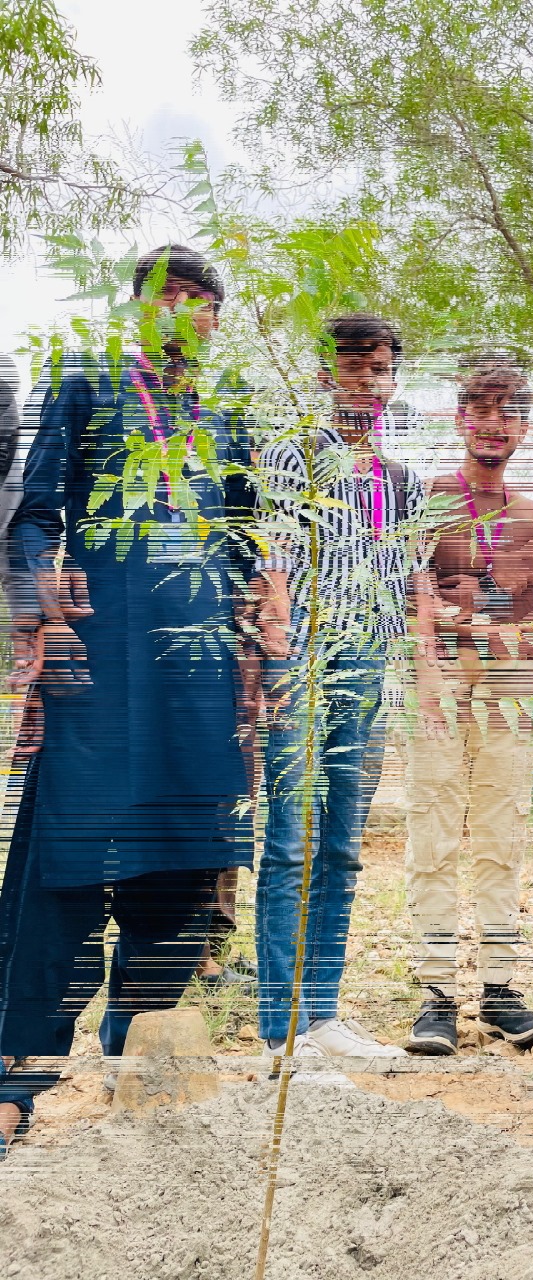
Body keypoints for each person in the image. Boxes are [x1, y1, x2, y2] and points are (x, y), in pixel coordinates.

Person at [0, 244, 270, 1156]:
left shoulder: (227, 406)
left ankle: (137, 1070)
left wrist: (256, 643)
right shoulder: (87, 380)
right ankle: (15, 1084)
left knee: (186, 868)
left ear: (216, 320)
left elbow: (244, 536)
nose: (179, 313)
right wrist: (40, 601)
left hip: (200, 679)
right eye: (162, 297)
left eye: (198, 301)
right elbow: (35, 514)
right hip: (100, 658)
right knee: (65, 871)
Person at [254, 312, 424, 1065]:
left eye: (379, 368)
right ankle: (281, 1030)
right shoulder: (293, 454)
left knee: (345, 845)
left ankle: (322, 1015)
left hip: (369, 665)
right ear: (325, 374)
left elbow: (408, 579)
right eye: (353, 365)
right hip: (304, 658)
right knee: (291, 841)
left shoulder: (400, 478)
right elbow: (276, 559)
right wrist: (279, 652)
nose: (366, 379)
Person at [403, 362, 533, 1054]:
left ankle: (499, 987)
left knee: (503, 830)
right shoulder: (425, 498)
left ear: (525, 428)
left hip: (511, 683)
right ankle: (436, 993)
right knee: (433, 828)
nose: (493, 425)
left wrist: (508, 629)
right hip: (438, 679)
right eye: (481, 409)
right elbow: (413, 588)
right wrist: (440, 652)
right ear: (459, 417)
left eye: (509, 412)